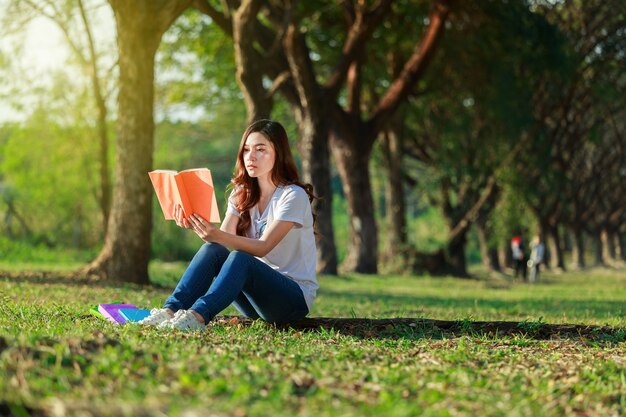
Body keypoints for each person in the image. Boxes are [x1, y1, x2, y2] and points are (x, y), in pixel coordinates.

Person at [139, 119, 318, 331]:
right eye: (246, 150)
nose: (251, 156)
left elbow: (263, 246)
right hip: (256, 301)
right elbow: (221, 239)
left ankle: (196, 317)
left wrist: (216, 234)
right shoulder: (242, 193)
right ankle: (170, 310)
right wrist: (197, 226)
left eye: (260, 149)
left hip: (292, 300)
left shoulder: (292, 195)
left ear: (278, 153)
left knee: (240, 258)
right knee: (212, 250)